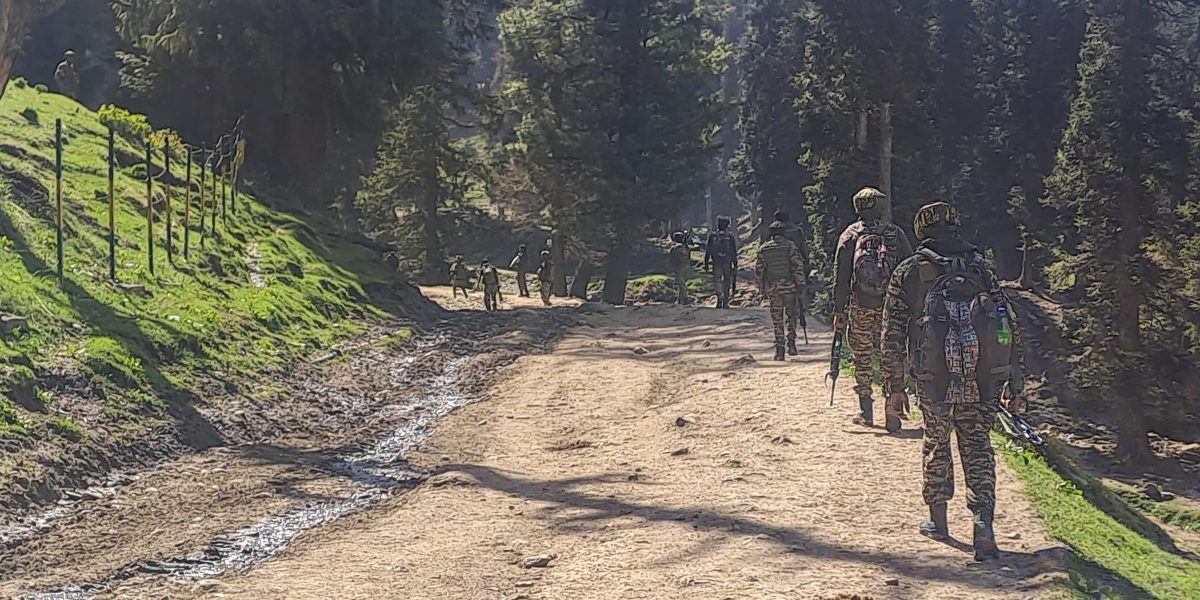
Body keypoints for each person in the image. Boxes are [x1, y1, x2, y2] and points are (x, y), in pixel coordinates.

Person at [881, 201, 1024, 562]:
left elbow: (892, 333)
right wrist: (1013, 379)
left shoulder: (909, 271)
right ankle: (983, 528)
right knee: (977, 446)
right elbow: (1007, 324)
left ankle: (938, 521)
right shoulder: (980, 268)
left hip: (933, 377)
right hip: (982, 376)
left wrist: (894, 386)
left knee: (936, 442)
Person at [832, 187, 913, 428]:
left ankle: (866, 411)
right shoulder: (894, 234)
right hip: (891, 306)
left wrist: (839, 310)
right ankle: (892, 410)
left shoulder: (850, 235)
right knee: (891, 354)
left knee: (862, 356)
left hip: (860, 304)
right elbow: (910, 268)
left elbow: (841, 275)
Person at [756, 224, 806, 361]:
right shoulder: (790, 246)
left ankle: (780, 349)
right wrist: (800, 284)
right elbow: (797, 266)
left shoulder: (764, 249)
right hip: (790, 287)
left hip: (773, 288)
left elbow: (759, 271)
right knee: (791, 316)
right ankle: (791, 343)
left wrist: (762, 289)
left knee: (777, 319)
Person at [704, 216, 739, 309]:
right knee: (727, 280)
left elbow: (708, 250)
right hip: (727, 262)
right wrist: (735, 264)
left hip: (716, 262)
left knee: (717, 280)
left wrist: (706, 262)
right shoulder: (730, 237)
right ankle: (726, 301)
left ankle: (720, 297)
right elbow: (733, 251)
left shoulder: (713, 236)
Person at [667, 232, 691, 305]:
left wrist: (671, 267)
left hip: (679, 268)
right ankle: (683, 298)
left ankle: (682, 299)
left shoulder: (674, 248)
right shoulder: (686, 248)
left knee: (681, 284)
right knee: (683, 283)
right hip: (686, 267)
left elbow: (672, 259)